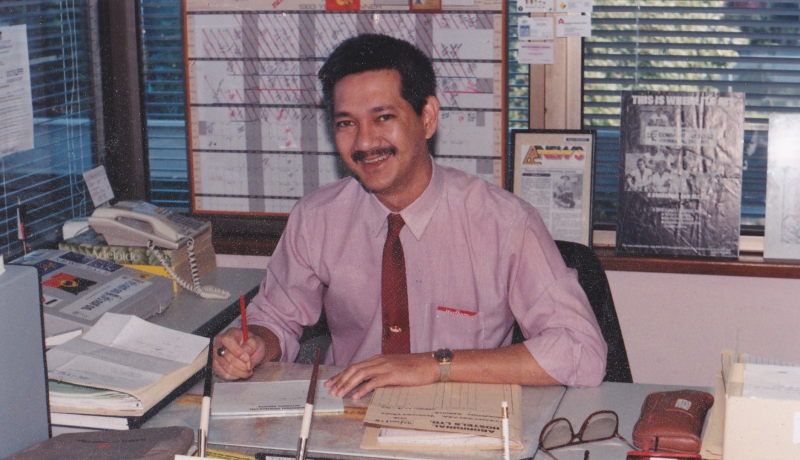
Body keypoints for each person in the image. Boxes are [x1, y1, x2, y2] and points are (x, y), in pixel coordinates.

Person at [212, 34, 607, 398]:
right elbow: (276, 317)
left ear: (428, 117)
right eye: (346, 123)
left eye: (383, 117)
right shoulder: (316, 218)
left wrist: (434, 366)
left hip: (463, 417)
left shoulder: (504, 222)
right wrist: (256, 343)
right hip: (351, 420)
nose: (365, 142)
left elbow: (581, 349)